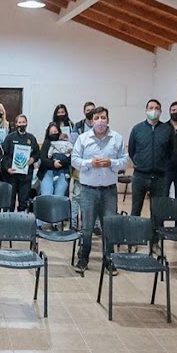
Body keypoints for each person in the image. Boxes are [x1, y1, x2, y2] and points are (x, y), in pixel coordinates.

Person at [71, 107, 128, 274]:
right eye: (97, 118)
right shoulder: (83, 138)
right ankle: (83, 258)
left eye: (103, 117)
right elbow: (74, 160)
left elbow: (125, 161)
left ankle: (109, 260)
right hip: (88, 190)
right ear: (92, 120)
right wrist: (89, 163)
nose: (100, 121)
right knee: (87, 227)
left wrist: (112, 163)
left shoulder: (117, 138)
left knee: (108, 226)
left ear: (108, 119)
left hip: (109, 191)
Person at [128, 99, 174, 217]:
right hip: (140, 176)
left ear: (161, 111)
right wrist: (140, 163)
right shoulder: (137, 129)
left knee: (158, 212)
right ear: (146, 110)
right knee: (135, 210)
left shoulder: (167, 129)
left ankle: (155, 230)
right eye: (151, 108)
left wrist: (163, 165)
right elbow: (131, 150)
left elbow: (171, 151)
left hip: (160, 177)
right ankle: (135, 230)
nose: (154, 110)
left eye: (156, 108)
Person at [1, 115, 39, 212]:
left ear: (26, 123)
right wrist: (7, 168)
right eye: (19, 122)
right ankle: (8, 219)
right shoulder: (10, 138)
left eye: (23, 122)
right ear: (16, 124)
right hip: (11, 174)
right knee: (9, 201)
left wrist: (33, 159)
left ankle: (22, 219)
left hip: (26, 175)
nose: (22, 124)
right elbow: (4, 156)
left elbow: (37, 153)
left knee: (24, 201)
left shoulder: (31, 138)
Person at [70, 102, 96, 229]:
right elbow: (72, 144)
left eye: (92, 109)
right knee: (77, 196)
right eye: (88, 110)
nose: (90, 112)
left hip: (96, 168)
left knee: (94, 198)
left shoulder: (100, 125)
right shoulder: (78, 126)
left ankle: (93, 225)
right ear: (84, 112)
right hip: (80, 166)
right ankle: (74, 223)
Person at [39, 123, 72, 196]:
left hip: (62, 171)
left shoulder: (66, 143)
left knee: (59, 197)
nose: (53, 134)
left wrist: (60, 163)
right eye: (51, 132)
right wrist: (53, 163)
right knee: (46, 196)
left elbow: (70, 157)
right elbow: (43, 158)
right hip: (47, 172)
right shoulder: (46, 143)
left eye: (55, 131)